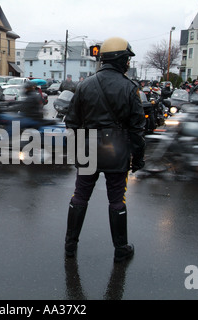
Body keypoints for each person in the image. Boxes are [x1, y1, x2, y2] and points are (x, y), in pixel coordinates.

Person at [64, 36, 146, 263]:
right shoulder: (130, 88)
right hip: (116, 149)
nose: (128, 64)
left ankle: (70, 246)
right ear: (120, 60)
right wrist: (138, 159)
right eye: (127, 59)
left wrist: (77, 149)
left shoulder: (84, 85)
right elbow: (137, 130)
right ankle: (121, 249)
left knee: (79, 196)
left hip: (88, 147)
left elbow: (71, 122)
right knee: (117, 199)